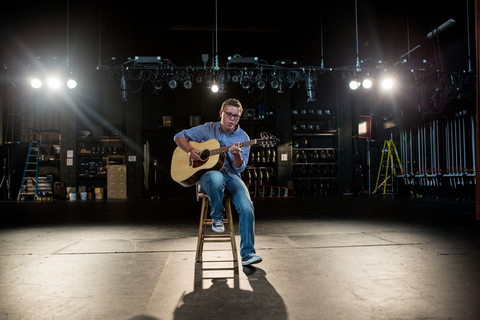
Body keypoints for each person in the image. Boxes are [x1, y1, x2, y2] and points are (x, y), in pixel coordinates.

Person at [173, 98, 262, 266]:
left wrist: (236, 154)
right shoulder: (207, 129)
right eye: (229, 114)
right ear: (221, 113)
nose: (232, 119)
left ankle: (248, 254)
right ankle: (217, 216)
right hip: (208, 177)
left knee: (247, 207)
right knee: (216, 177)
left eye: (236, 116)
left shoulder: (243, 137)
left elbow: (239, 169)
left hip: (231, 176)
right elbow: (179, 136)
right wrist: (190, 149)